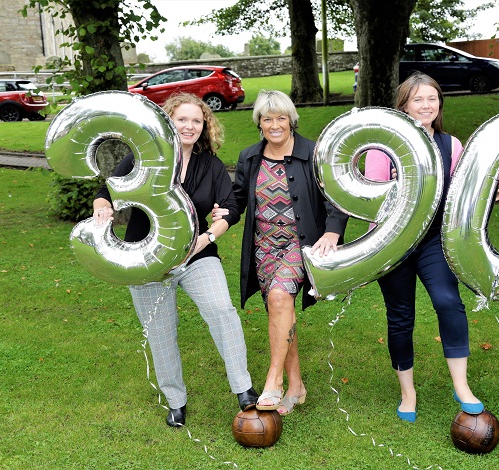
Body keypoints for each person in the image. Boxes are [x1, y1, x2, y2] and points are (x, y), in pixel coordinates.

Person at [93, 93, 258, 428]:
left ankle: (244, 389)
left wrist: (208, 237)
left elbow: (230, 208)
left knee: (221, 311)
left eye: (197, 121)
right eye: (183, 119)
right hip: (146, 257)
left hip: (197, 254)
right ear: (169, 121)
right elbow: (109, 189)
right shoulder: (145, 158)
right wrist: (102, 203)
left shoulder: (210, 165)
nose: (189, 126)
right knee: (160, 329)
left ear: (204, 126)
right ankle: (175, 401)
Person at [364, 72, 499, 422]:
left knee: (448, 301)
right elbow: (369, 201)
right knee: (400, 317)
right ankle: (407, 393)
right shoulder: (381, 146)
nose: (426, 105)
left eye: (432, 98)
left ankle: (462, 386)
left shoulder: (450, 145)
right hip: (392, 244)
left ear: (439, 103)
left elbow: (462, 196)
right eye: (417, 99)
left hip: (432, 242)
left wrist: (488, 196)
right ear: (404, 105)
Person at [215, 90, 347, 416]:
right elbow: (237, 201)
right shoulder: (249, 158)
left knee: (278, 299)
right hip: (263, 248)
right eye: (267, 118)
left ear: (291, 120)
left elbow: (337, 198)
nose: (274, 125)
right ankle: (297, 386)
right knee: (280, 311)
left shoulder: (314, 153)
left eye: (281, 118)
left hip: (300, 245)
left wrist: (333, 231)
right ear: (259, 122)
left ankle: (274, 380)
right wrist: (223, 214)